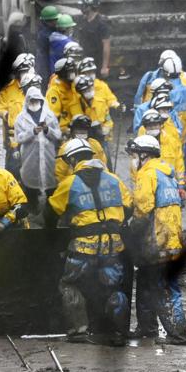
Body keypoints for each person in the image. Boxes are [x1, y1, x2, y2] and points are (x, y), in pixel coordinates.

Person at [47, 138, 134, 345]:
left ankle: (79, 331)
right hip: (112, 246)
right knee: (114, 288)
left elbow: (49, 213)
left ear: (73, 159)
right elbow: (129, 207)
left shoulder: (69, 183)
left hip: (83, 247)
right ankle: (119, 333)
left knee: (69, 284)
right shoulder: (114, 179)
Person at [125, 135, 186, 345]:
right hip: (169, 237)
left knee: (165, 287)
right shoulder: (167, 174)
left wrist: (129, 230)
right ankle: (146, 328)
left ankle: (179, 334)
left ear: (144, 155)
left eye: (134, 155)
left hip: (157, 240)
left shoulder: (147, 174)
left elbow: (142, 210)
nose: (133, 160)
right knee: (145, 282)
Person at [15, 86, 62, 213]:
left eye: (37, 100)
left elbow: (58, 135)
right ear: (27, 101)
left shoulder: (50, 116)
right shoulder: (20, 118)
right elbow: (18, 138)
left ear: (41, 100)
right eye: (32, 100)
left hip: (48, 156)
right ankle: (32, 207)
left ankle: (50, 208)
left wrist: (47, 130)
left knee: (51, 182)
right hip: (30, 156)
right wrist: (32, 132)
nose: (34, 103)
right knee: (31, 183)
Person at [138, 98, 186, 193]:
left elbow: (179, 163)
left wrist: (181, 185)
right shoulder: (140, 145)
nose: (153, 128)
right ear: (145, 127)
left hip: (170, 187)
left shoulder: (172, 142)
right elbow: (135, 169)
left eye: (155, 125)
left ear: (160, 125)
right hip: (149, 186)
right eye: (150, 126)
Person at [0, 54, 35, 176]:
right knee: (12, 167)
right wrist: (5, 114)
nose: (24, 74)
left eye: (26, 71)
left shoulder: (35, 87)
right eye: (22, 71)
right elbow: (0, 106)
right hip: (12, 136)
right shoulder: (8, 89)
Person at [56, 115, 108, 183]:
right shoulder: (65, 148)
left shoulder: (95, 144)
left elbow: (104, 166)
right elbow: (60, 175)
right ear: (72, 131)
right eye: (79, 130)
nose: (81, 133)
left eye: (84, 131)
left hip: (95, 182)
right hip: (74, 185)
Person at [76, 0, 112, 78]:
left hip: (97, 61)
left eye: (85, 6)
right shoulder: (83, 20)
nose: (82, 8)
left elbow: (106, 45)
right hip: (84, 60)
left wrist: (104, 67)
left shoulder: (102, 23)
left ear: (91, 7)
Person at [46, 57, 80, 136]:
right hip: (64, 131)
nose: (73, 75)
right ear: (62, 74)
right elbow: (54, 116)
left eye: (73, 71)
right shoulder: (54, 91)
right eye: (70, 72)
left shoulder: (74, 86)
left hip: (79, 126)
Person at [36, 5, 60, 71]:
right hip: (46, 62)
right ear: (47, 21)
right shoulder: (45, 35)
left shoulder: (43, 32)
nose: (56, 22)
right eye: (54, 20)